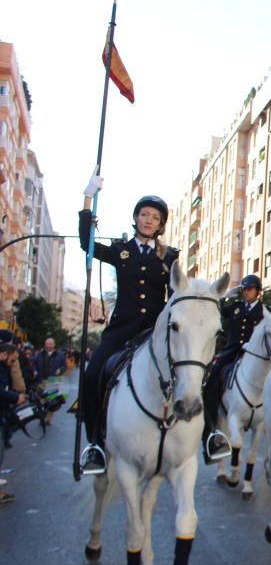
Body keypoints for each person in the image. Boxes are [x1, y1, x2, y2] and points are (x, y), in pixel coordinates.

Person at [77, 179, 179, 475]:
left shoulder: (169, 256)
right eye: (144, 214)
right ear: (136, 218)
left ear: (160, 225)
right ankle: (95, 443)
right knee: (92, 375)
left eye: (155, 217)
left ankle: (206, 434)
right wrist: (87, 200)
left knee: (191, 373)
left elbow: (174, 297)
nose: (149, 220)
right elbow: (87, 244)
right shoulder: (121, 250)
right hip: (121, 331)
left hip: (153, 332)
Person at [200, 274, 265, 463]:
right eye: (244, 289)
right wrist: (227, 295)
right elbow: (215, 307)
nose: (246, 292)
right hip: (232, 351)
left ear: (258, 291)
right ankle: (211, 423)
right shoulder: (235, 308)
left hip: (253, 354)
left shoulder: (263, 312)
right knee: (212, 377)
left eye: (250, 289)